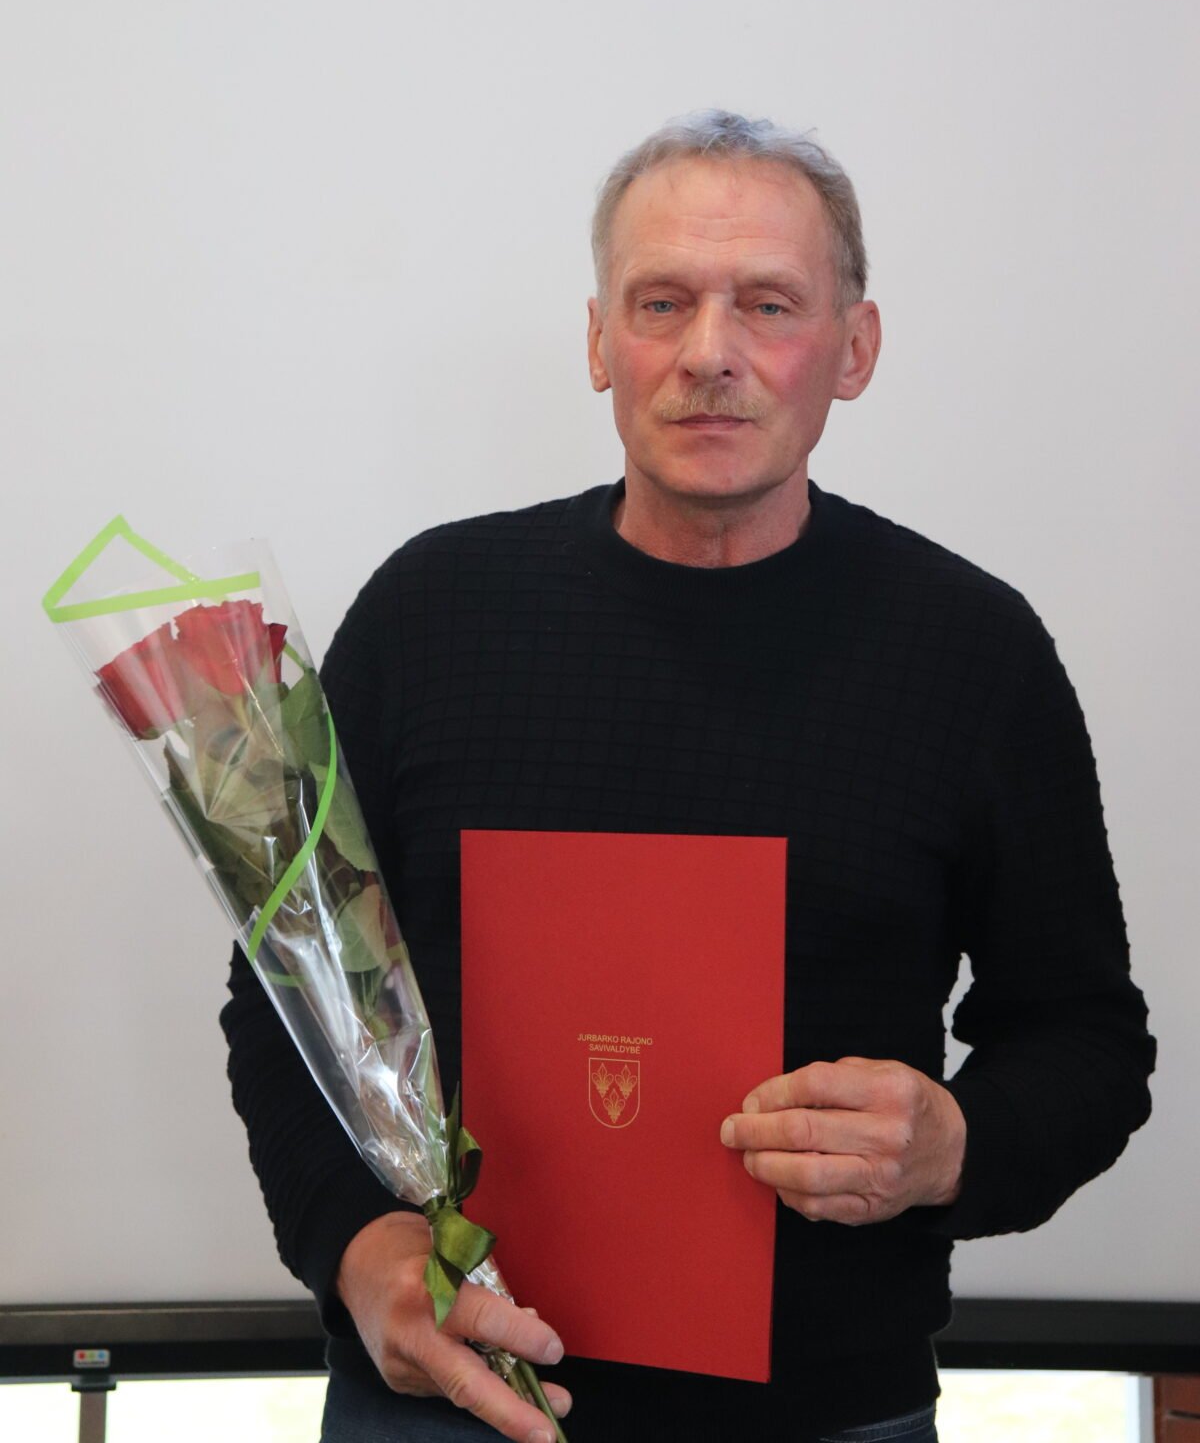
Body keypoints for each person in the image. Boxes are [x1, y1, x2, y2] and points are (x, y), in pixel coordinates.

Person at [221, 110, 1155, 1443]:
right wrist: (358, 1254)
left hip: (826, 1415)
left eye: (768, 304)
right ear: (601, 341)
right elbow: (287, 996)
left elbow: (1086, 1041)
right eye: (661, 302)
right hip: (448, 1402)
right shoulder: (429, 617)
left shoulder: (973, 654)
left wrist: (955, 1145)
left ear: (855, 347)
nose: (709, 352)